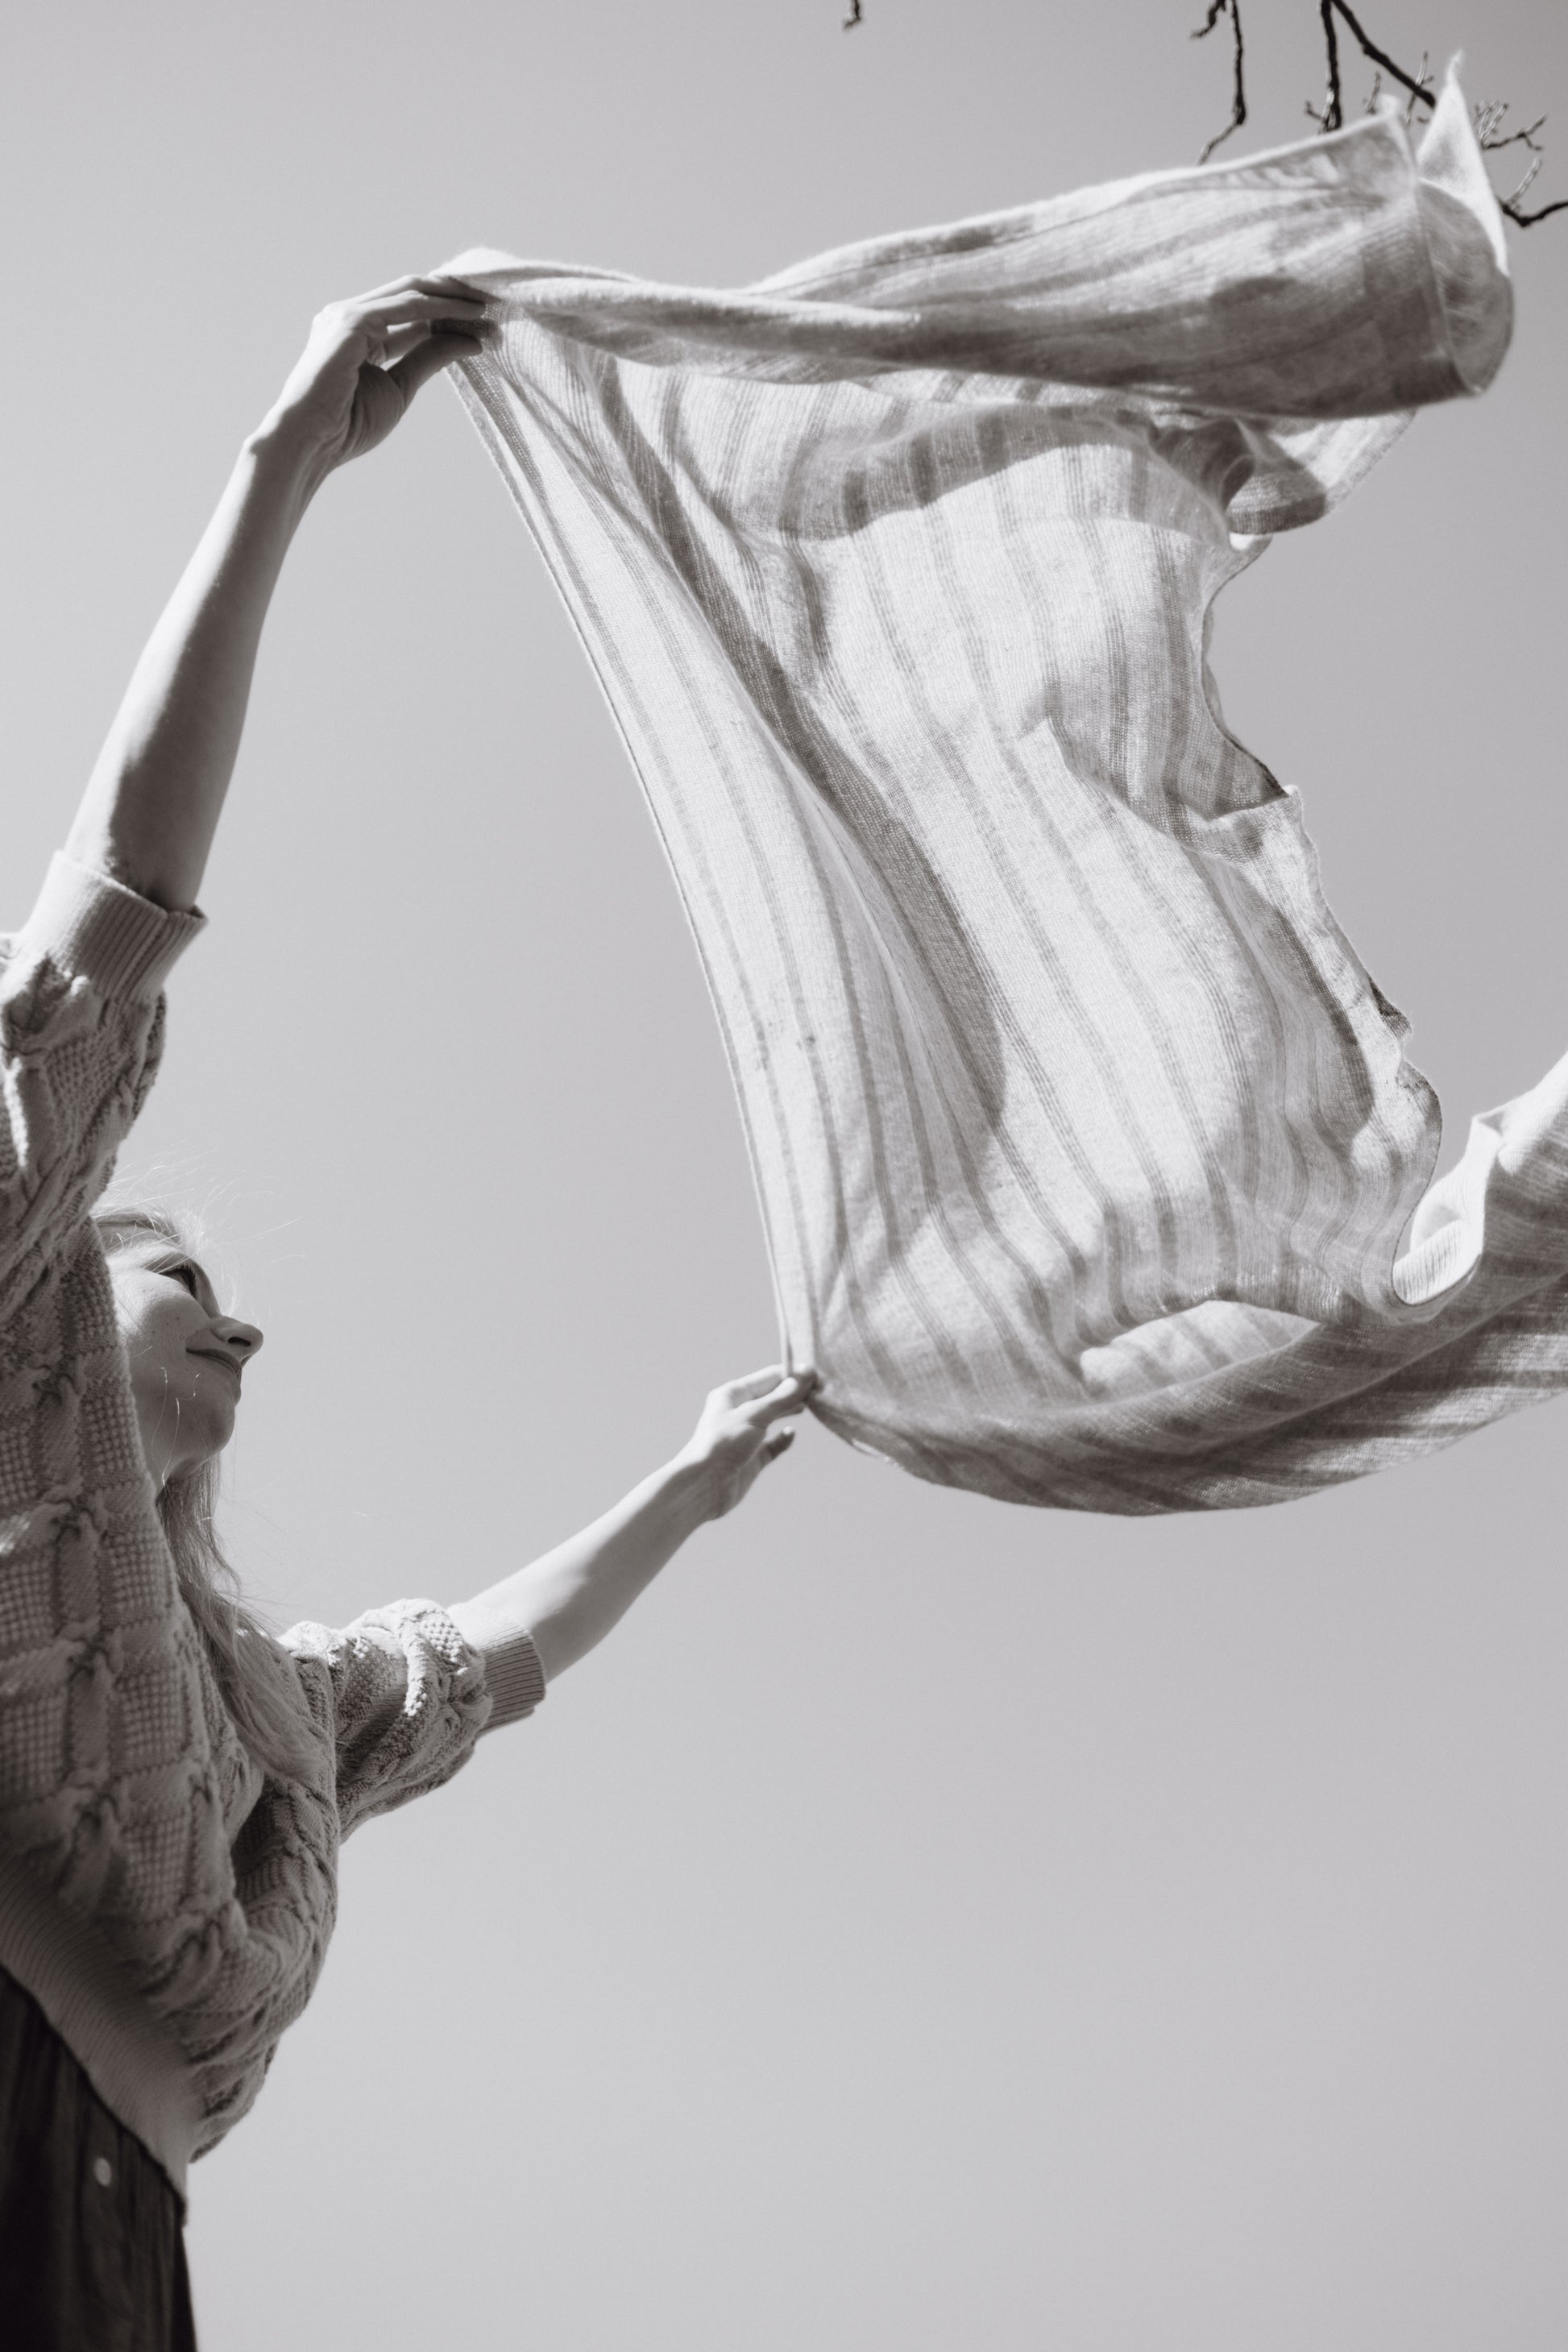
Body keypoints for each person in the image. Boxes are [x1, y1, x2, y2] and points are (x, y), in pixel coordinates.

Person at [0, 274, 814, 2347]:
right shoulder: (9, 1320)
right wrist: (282, 466)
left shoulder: (282, 1705)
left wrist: (696, 1476)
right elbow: (110, 910)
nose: (245, 1333)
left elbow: (489, 1653)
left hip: (124, 2254)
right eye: (187, 1279)